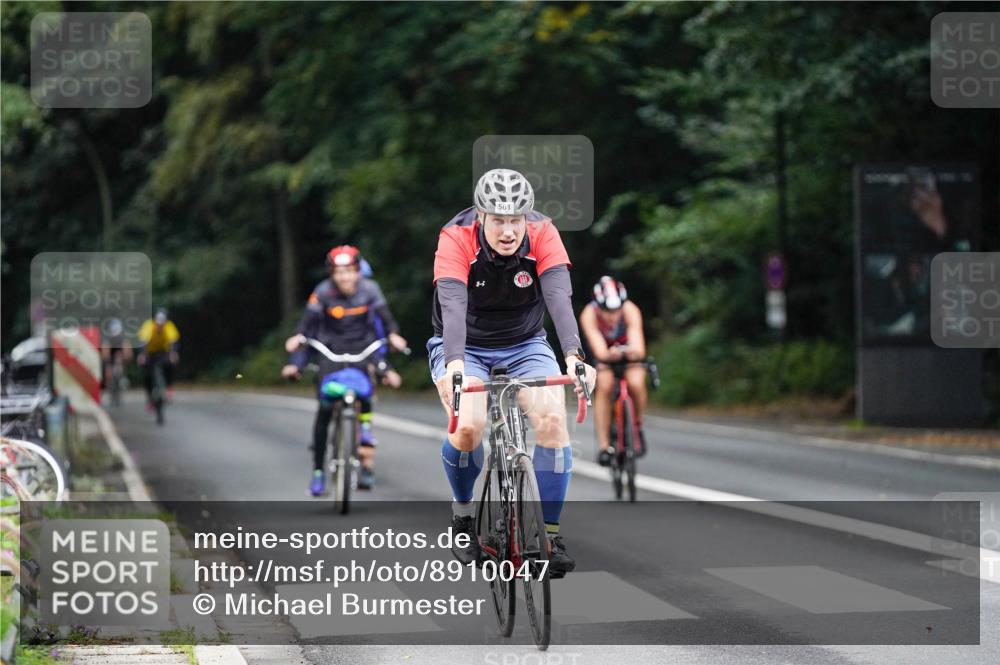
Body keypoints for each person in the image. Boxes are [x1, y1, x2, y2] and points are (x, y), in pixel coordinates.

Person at [429, 168, 595, 575]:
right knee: (468, 426)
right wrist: (454, 366)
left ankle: (550, 536)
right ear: (481, 216)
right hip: (464, 346)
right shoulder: (455, 237)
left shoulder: (543, 233)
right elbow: (451, 306)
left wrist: (574, 355)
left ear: (527, 217)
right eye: (498, 220)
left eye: (515, 220)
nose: (508, 231)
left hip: (525, 342)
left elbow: (558, 297)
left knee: (553, 420)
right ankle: (464, 515)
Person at [282, 245, 408, 495]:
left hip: (362, 351)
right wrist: (296, 346)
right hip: (331, 353)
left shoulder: (370, 290)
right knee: (325, 410)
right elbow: (307, 326)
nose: (344, 277)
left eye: (349, 271)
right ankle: (318, 472)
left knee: (366, 395)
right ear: (331, 273)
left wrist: (394, 336)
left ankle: (365, 436)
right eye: (338, 272)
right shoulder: (323, 292)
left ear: (358, 271)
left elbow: (386, 320)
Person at [579, 276, 648, 466]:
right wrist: (610, 354)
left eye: (616, 310)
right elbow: (600, 351)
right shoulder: (588, 314)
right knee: (605, 384)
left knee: (636, 382)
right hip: (604, 356)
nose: (612, 316)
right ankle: (604, 445)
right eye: (606, 311)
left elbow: (639, 348)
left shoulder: (631, 310)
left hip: (628, 353)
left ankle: (637, 424)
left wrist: (629, 351)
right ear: (597, 305)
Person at [137, 308, 180, 409]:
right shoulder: (148, 325)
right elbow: (143, 341)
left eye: (162, 324)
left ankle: (169, 387)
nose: (160, 326)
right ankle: (149, 399)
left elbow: (174, 341)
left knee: (171, 364)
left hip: (163, 352)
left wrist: (173, 353)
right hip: (149, 352)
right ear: (155, 321)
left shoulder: (169, 326)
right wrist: (142, 355)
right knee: (146, 374)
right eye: (158, 324)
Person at [101, 318, 133, 399]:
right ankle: (110, 388)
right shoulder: (107, 338)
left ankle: (122, 378)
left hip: (119, 355)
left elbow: (128, 352)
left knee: (123, 355)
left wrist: (124, 359)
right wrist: (108, 365)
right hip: (110, 356)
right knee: (109, 372)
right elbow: (105, 353)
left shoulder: (123, 338)